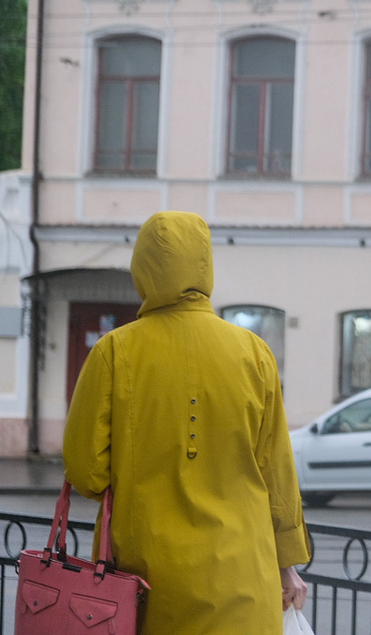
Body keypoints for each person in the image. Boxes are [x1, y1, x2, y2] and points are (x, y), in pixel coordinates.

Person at [64, 211, 312, 635]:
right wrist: (286, 565)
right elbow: (278, 476)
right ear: (205, 267)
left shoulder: (113, 353)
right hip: (243, 585)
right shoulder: (254, 353)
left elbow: (86, 473)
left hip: (147, 590)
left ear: (142, 270)